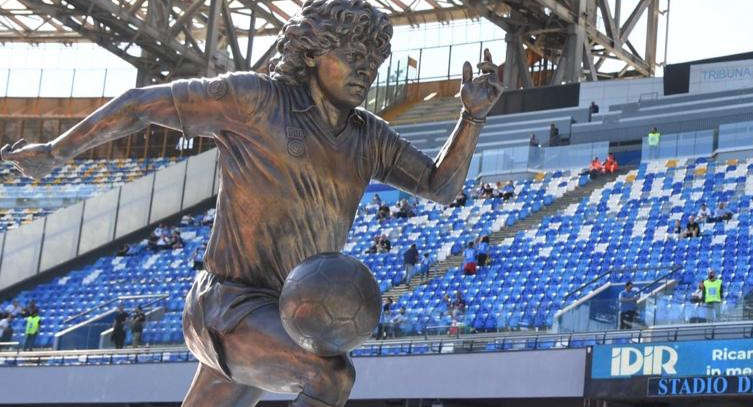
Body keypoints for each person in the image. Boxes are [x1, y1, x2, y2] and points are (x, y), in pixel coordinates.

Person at [0, 1, 504, 404]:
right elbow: (140, 106)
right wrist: (56, 151)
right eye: (353, 55)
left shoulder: (369, 136)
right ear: (313, 52)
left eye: (373, 61)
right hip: (226, 304)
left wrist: (472, 118)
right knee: (329, 376)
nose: (365, 70)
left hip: (285, 316)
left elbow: (441, 187)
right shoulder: (255, 101)